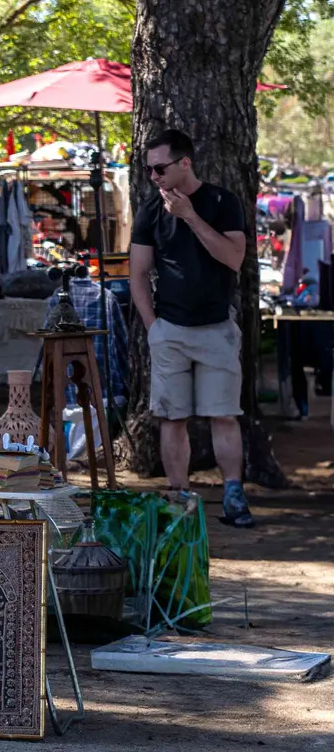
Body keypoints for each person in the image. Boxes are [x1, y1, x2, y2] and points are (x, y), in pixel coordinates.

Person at [127, 129, 254, 528]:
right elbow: (138, 274)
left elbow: (234, 258)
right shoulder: (149, 210)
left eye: (160, 167)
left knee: (224, 415)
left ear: (185, 163)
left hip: (216, 327)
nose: (154, 176)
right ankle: (178, 495)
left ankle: (233, 494)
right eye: (148, 169)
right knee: (172, 417)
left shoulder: (221, 202)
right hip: (171, 330)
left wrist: (190, 217)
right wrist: (154, 327)